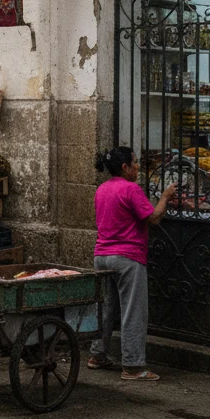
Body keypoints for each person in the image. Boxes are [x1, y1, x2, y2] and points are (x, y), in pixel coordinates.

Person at [86, 147, 176, 382]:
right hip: (127, 256)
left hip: (102, 255)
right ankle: (133, 366)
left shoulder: (101, 189)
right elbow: (153, 218)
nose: (138, 167)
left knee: (105, 309)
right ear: (124, 167)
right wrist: (165, 197)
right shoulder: (130, 189)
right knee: (132, 311)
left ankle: (97, 355)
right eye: (135, 163)